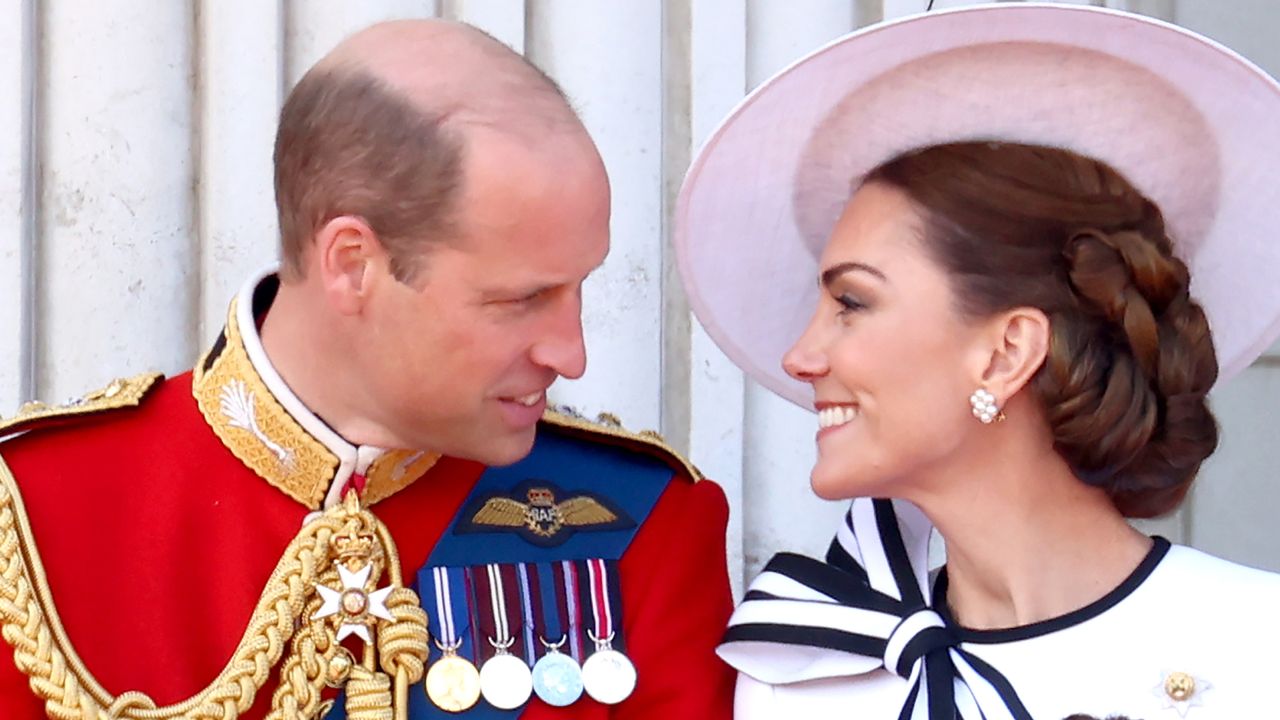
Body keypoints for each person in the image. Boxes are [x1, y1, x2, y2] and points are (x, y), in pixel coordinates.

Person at [0, 19, 734, 720]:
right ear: (353, 265)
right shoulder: (33, 514)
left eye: (581, 287)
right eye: (522, 299)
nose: (570, 354)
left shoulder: (638, 521)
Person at [676, 4, 1280, 719]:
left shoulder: (1256, 648)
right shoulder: (802, 681)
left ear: (1007, 352)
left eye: (853, 302)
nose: (801, 356)